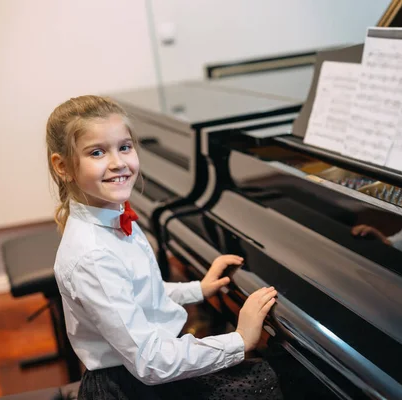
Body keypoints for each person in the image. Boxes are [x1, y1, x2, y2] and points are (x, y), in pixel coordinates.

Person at [46, 95, 281, 399]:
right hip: (133, 385)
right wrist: (240, 339)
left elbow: (141, 293)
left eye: (125, 147)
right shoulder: (93, 255)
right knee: (264, 384)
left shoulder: (113, 215)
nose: (118, 163)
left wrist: (198, 288)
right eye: (97, 152)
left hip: (148, 366)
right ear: (62, 167)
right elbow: (150, 362)